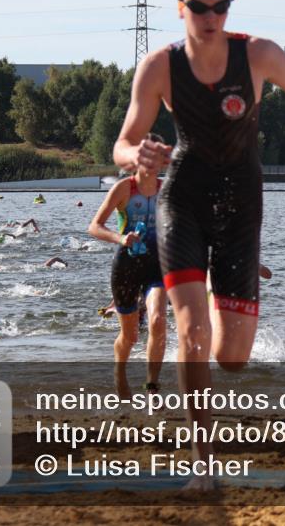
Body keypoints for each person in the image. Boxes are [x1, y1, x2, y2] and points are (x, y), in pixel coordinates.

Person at [112, 0, 285, 487]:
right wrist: (137, 157)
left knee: (231, 358)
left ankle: (212, 295)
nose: (211, 16)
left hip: (240, 204)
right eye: (200, 6)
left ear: (229, 8)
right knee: (191, 333)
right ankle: (202, 462)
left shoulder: (257, 54)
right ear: (180, 7)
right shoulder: (159, 66)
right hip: (181, 200)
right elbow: (121, 144)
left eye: (221, 5)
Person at [89, 134, 169, 398]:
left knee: (157, 319)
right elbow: (95, 226)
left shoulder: (167, 189)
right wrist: (121, 238)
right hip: (126, 267)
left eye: (157, 158)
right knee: (131, 336)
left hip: (157, 266)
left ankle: (151, 386)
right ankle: (119, 370)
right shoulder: (124, 189)